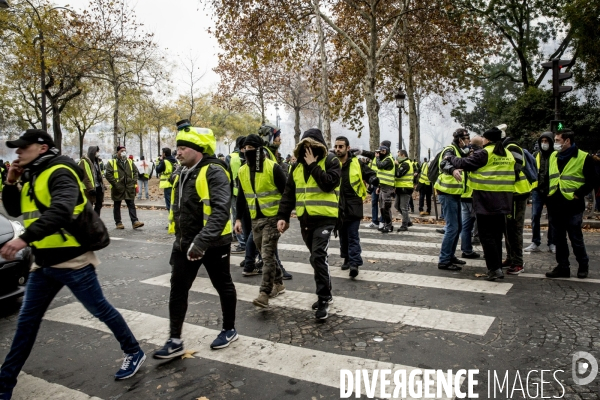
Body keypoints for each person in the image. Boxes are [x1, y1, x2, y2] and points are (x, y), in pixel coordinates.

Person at [0, 130, 145, 400]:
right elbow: (17, 210)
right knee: (26, 324)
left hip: (73, 259)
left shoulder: (60, 171)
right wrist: (11, 183)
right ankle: (4, 385)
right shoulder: (33, 175)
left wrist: (23, 241)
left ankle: (133, 351)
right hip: (43, 263)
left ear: (42, 148)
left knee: (100, 310)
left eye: (23, 147)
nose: (18, 153)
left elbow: (61, 210)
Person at [153, 120, 238, 359]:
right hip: (184, 243)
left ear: (197, 150)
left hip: (212, 243)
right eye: (177, 147)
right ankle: (174, 340)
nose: (177, 152)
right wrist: (182, 240)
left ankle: (229, 329)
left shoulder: (215, 170)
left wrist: (201, 242)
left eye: (182, 148)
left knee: (223, 285)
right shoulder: (181, 172)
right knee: (178, 288)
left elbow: (221, 210)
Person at [277, 128, 341, 319]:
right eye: (305, 146)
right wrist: (283, 216)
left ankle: (323, 298)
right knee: (315, 257)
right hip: (305, 220)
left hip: (325, 218)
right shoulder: (295, 167)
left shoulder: (331, 161)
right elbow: (288, 194)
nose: (309, 149)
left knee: (319, 256)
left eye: (312, 145)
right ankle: (326, 292)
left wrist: (314, 166)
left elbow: (329, 183)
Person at [446, 128, 516, 281]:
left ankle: (494, 269)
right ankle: (497, 267)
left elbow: (464, 162)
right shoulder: (507, 154)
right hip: (504, 200)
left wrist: (450, 157)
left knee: (486, 236)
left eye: (483, 138)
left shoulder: (485, 153)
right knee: (497, 236)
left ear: (488, 139)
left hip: (486, 200)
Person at [234, 134, 286, 307]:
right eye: (245, 149)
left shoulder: (273, 168)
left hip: (273, 218)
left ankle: (264, 292)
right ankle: (279, 283)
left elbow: (286, 193)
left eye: (251, 148)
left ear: (259, 149)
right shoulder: (242, 170)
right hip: (255, 218)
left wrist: (284, 217)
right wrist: (238, 219)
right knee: (267, 254)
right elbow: (241, 196)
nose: (247, 152)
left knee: (266, 255)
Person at [545, 129, 596, 279]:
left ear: (567, 141)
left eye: (558, 140)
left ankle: (583, 265)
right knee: (559, 239)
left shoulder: (584, 157)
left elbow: (592, 180)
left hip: (573, 204)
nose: (555, 143)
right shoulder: (554, 155)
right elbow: (550, 177)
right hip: (555, 203)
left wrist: (578, 194)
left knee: (576, 238)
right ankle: (563, 267)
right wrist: (547, 194)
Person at [334, 136, 378, 277]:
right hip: (338, 205)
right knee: (342, 235)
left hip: (353, 204)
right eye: (336, 146)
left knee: (352, 234)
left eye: (341, 146)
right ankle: (346, 258)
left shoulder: (356, 162)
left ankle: (354, 264)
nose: (338, 149)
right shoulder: (332, 163)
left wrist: (372, 179)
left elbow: (369, 173)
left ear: (347, 148)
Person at [435, 128, 470, 270]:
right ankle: (444, 260)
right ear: (460, 139)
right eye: (466, 138)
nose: (468, 140)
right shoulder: (450, 149)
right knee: (452, 227)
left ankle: (450, 255)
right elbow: (444, 163)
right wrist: (453, 169)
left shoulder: (460, 151)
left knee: (458, 227)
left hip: (454, 193)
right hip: (447, 193)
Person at [502, 135, 532, 274]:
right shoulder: (507, 148)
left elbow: (515, 168)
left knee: (515, 229)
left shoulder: (512, 148)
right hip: (512, 194)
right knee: (508, 229)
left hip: (517, 193)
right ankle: (511, 258)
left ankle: (518, 262)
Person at [525, 132, 556, 253]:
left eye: (546, 141)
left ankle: (552, 243)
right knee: (535, 216)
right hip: (537, 190)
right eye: (542, 141)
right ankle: (535, 242)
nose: (544, 143)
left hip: (551, 190)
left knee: (552, 218)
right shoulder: (536, 155)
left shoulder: (556, 155)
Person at [105, 146, 144, 229]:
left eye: (125, 151)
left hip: (129, 187)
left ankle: (135, 221)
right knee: (117, 205)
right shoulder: (112, 162)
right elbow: (108, 174)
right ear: (117, 152)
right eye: (122, 151)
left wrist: (133, 181)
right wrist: (116, 184)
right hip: (117, 188)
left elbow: (135, 171)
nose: (124, 152)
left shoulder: (129, 161)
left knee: (131, 204)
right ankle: (118, 223)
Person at [459, 136, 482, 259]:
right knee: (482, 227)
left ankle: (466, 250)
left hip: (464, 195)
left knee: (466, 227)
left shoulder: (463, 157)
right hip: (474, 196)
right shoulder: (478, 158)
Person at [226, 136, 247, 254]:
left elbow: (227, 177)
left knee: (237, 217)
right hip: (249, 192)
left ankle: (242, 243)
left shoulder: (230, 158)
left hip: (235, 193)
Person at [78, 146, 102, 214]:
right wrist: (90, 189)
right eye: (96, 152)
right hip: (88, 189)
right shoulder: (84, 162)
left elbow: (98, 174)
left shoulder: (96, 161)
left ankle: (95, 221)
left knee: (98, 205)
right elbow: (85, 177)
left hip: (98, 187)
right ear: (92, 152)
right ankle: (88, 222)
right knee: (88, 207)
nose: (97, 153)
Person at [394, 149, 413, 232]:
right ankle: (408, 220)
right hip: (400, 188)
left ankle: (404, 225)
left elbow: (398, 174)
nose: (397, 157)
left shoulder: (406, 164)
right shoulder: (402, 163)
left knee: (403, 207)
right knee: (396, 206)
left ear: (403, 155)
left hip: (405, 188)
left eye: (398, 155)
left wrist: (396, 166)